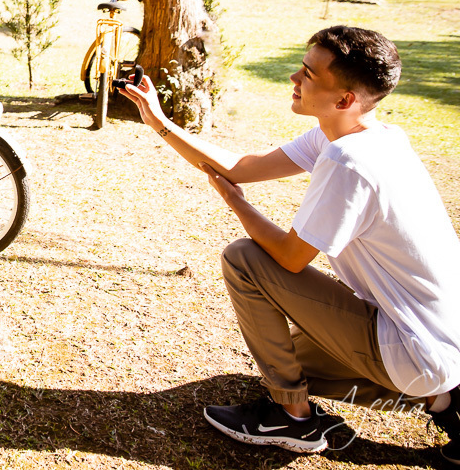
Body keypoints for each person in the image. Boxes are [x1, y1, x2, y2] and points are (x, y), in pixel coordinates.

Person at [121, 25, 460, 461]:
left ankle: (292, 419)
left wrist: (236, 203)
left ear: (344, 100)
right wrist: (160, 122)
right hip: (439, 340)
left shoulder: (349, 160)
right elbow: (239, 167)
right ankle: (443, 400)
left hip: (415, 347)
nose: (293, 78)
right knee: (291, 360)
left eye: (308, 74)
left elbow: (290, 257)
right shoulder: (368, 135)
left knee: (243, 259)